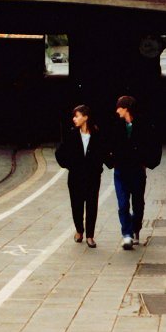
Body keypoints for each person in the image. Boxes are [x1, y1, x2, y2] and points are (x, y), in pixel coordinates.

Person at [106, 95, 161, 250]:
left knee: (138, 205)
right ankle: (127, 234)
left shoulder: (143, 125)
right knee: (123, 204)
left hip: (137, 170)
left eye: (119, 107)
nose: (117, 110)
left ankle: (136, 229)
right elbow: (106, 144)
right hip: (121, 171)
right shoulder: (115, 125)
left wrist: (148, 162)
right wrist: (111, 161)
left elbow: (154, 144)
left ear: (127, 109)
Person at [55, 104, 105, 248]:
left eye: (77, 116)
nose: (74, 119)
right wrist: (69, 165)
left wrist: (99, 167)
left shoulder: (96, 134)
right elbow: (60, 153)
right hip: (76, 176)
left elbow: (102, 152)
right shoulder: (71, 134)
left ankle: (90, 235)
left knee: (91, 205)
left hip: (92, 176)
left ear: (86, 117)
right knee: (76, 205)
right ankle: (79, 230)